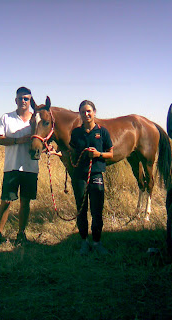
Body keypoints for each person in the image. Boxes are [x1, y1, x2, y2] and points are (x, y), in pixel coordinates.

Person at [0, 86, 38, 250]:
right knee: (6, 201)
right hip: (11, 167)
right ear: (15, 100)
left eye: (27, 99)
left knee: (25, 202)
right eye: (21, 98)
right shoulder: (6, 118)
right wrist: (18, 140)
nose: (23, 101)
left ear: (30, 101)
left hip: (30, 167)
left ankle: (21, 234)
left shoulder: (35, 120)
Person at [69, 100, 113, 256]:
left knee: (96, 210)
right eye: (83, 112)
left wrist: (98, 154)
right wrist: (57, 153)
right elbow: (71, 153)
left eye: (88, 111)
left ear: (94, 112)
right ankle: (84, 242)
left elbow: (111, 153)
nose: (86, 114)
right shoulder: (76, 133)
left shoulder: (103, 132)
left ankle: (96, 241)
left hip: (96, 174)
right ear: (80, 114)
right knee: (81, 209)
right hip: (79, 175)